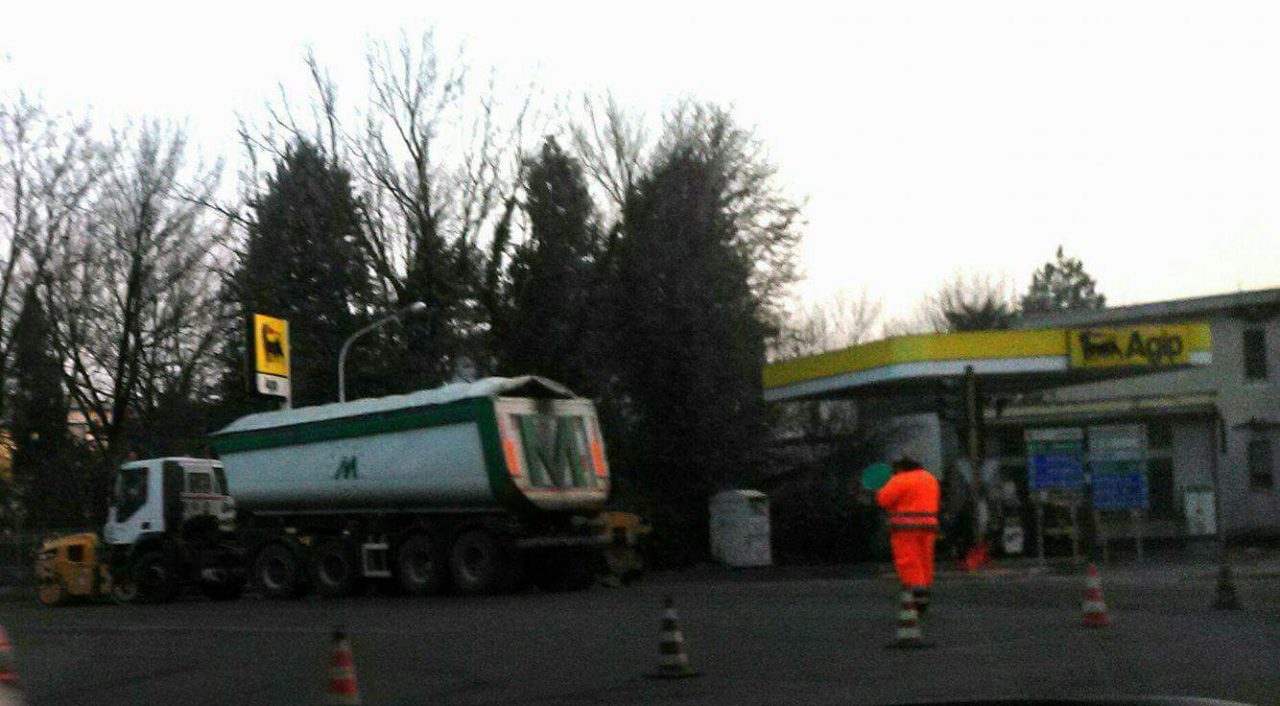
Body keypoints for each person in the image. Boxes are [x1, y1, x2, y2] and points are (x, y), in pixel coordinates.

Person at [875, 456, 941, 614]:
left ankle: (916, 596)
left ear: (900, 468)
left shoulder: (899, 480)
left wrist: (881, 486)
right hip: (929, 525)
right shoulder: (929, 478)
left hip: (905, 527)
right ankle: (924, 593)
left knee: (909, 561)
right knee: (925, 559)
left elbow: (883, 500)